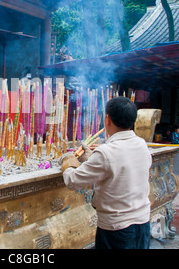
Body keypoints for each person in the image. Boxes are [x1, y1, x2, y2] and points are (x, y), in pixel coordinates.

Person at [61, 96, 152, 249]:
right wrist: (91, 159)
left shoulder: (106, 152)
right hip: (142, 222)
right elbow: (119, 166)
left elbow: (73, 180)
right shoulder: (141, 144)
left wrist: (67, 162)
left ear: (107, 119)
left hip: (117, 228)